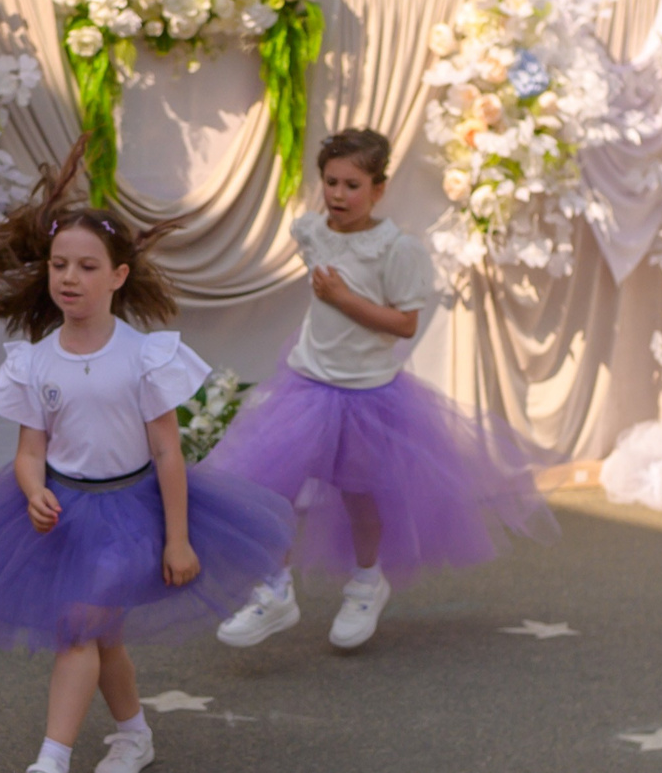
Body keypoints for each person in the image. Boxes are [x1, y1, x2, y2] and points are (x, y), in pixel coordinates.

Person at [0, 149, 294, 773]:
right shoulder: (34, 363)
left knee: (79, 631)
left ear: (119, 276)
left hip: (133, 512)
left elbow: (168, 451)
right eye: (60, 264)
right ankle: (134, 733)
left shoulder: (145, 356)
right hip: (65, 513)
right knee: (103, 636)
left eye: (88, 266)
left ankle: (49, 768)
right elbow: (30, 450)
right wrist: (32, 488)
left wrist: (177, 538)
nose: (70, 277)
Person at [207, 128, 554, 651]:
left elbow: (404, 324)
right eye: (331, 182)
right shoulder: (310, 232)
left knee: (359, 494)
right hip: (306, 384)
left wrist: (343, 298)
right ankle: (275, 588)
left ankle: (367, 582)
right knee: (272, 489)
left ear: (378, 189)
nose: (339, 194)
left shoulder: (397, 250)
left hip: (366, 394)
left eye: (352, 185)